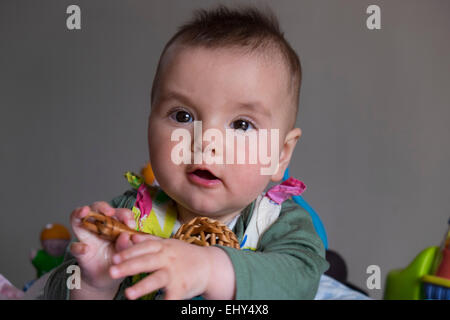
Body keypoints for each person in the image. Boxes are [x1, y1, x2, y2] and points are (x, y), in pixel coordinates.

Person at [42, 5, 329, 300]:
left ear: (280, 155)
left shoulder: (278, 225)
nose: (205, 141)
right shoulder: (131, 215)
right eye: (182, 116)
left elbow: (300, 279)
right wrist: (95, 284)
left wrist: (209, 270)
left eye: (241, 124)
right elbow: (54, 291)